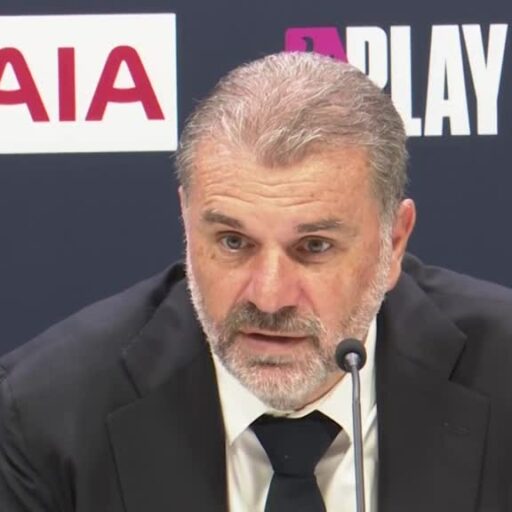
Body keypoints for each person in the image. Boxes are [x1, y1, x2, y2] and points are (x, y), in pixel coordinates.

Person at [1, 51, 512, 512]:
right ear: (187, 223)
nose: (269, 297)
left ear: (393, 242)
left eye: (314, 247)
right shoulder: (44, 414)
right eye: (233, 242)